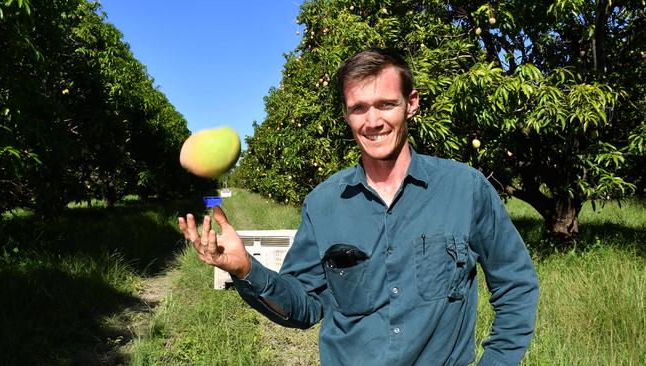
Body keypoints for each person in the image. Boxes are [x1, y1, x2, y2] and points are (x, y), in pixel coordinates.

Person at [178, 48, 539, 366]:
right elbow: (305, 307)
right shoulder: (323, 204)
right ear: (347, 114)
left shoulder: (464, 188)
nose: (373, 121)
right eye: (359, 108)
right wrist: (244, 270)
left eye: (386, 104)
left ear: (411, 103)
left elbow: (515, 283)